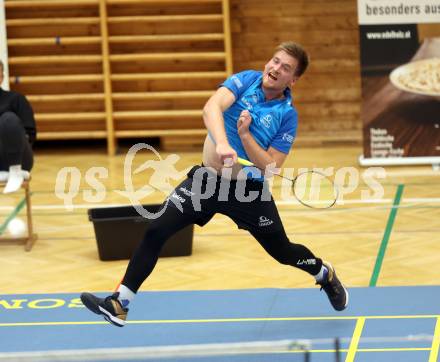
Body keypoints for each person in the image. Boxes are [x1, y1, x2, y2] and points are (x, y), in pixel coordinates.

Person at [81, 42, 349, 327]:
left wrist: (245, 137)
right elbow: (211, 108)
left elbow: (271, 165)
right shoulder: (246, 80)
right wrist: (222, 143)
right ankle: (120, 303)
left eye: (285, 68)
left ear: (293, 80)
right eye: (274, 61)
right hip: (206, 181)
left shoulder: (287, 116)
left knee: (283, 252)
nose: (274, 68)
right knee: (156, 229)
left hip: (248, 193)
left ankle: (323, 273)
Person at [0, 60, 36, 193]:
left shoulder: (16, 99)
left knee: (8, 118)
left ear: (2, 77)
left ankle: (14, 172)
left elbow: (29, 136)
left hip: (18, 157)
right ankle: (4, 174)